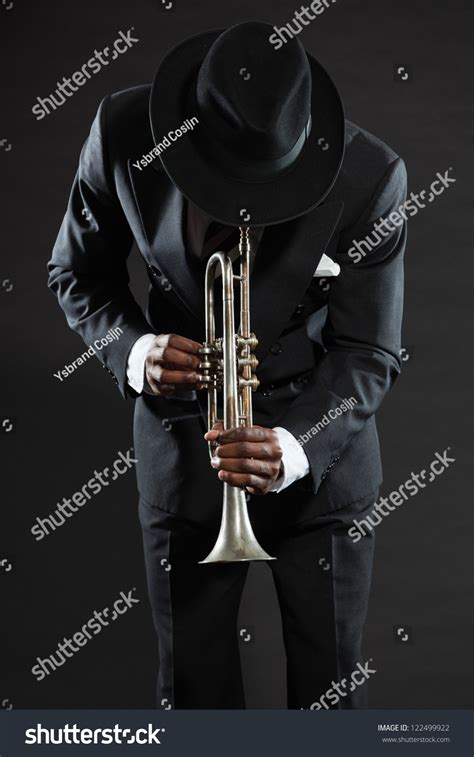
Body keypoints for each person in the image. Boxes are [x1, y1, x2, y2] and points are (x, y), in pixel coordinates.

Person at [48, 21, 407, 709]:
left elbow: (369, 349)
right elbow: (75, 274)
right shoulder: (125, 133)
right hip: (182, 453)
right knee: (193, 697)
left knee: (330, 703)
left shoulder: (371, 178)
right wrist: (134, 353)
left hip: (319, 467)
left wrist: (294, 446)